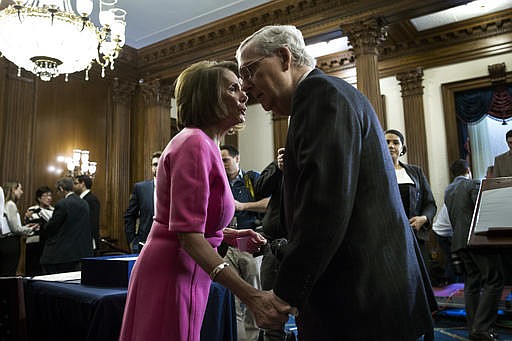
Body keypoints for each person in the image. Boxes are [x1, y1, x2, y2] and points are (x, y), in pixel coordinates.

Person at [237, 25, 435, 340]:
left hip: (359, 299)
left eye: (249, 72)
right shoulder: (324, 96)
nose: (245, 87)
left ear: (284, 57)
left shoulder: (320, 97)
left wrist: (284, 294)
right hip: (364, 293)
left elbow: (323, 207)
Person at [119, 60, 290, 341]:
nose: (244, 94)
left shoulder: (203, 143)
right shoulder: (195, 144)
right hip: (173, 272)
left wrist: (230, 236)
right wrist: (253, 296)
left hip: (186, 269)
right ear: (208, 97)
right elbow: (187, 236)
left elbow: (194, 223)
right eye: (233, 88)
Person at [446, 159, 503, 341]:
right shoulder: (473, 184)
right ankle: (482, 328)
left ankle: (474, 327)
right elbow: (482, 209)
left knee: (472, 283)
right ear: (468, 170)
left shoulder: (448, 190)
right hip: (477, 240)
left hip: (458, 242)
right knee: (494, 280)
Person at [220, 144, 269, 341]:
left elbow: (269, 203)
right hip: (226, 246)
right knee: (232, 298)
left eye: (226, 160)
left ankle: (252, 338)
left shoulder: (252, 178)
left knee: (253, 294)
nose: (222, 164)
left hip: (248, 245)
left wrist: (242, 206)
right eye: (220, 160)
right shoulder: (218, 181)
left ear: (237, 158)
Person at [384, 129, 437, 270]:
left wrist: (423, 218)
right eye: (387, 142)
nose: (391, 146)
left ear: (402, 148)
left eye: (395, 142)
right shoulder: (374, 173)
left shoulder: (416, 172)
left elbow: (430, 204)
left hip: (414, 237)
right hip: (386, 238)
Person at [253, 147, 289, 341]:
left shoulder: (318, 161)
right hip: (274, 248)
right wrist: (278, 167)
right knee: (272, 312)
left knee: (309, 313)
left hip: (305, 247)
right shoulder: (279, 163)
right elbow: (259, 190)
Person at [40, 177, 93, 274]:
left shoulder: (63, 204)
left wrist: (44, 226)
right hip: (80, 252)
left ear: (61, 189)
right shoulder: (84, 203)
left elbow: (53, 226)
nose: (57, 194)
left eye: (57, 191)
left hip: (62, 253)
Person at [124, 151, 161, 253]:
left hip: (167, 243)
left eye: (160, 164)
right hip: (144, 244)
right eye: (155, 164)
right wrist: (132, 241)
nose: (157, 167)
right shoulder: (141, 188)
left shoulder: (173, 189)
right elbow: (130, 216)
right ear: (151, 167)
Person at [0, 182, 38, 276]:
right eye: (20, 189)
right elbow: (15, 229)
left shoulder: (4, 204)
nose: (22, 192)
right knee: (8, 273)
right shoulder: (10, 204)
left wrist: (25, 227)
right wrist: (31, 229)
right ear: (13, 190)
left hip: (5, 241)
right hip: (10, 242)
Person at [24, 186, 54, 276]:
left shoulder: (54, 210)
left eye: (50, 195)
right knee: (32, 268)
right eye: (46, 195)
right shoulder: (32, 210)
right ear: (39, 198)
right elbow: (32, 225)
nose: (49, 198)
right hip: (33, 243)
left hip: (47, 243)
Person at [74, 175, 100, 252]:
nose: (73, 186)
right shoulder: (81, 199)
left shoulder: (91, 199)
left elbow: (93, 222)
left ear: (82, 184)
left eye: (75, 183)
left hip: (86, 240)